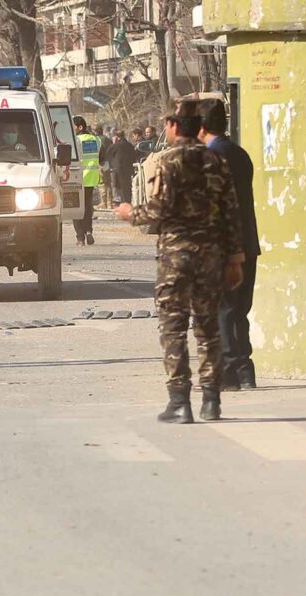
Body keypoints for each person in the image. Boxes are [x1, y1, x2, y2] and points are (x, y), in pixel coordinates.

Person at [114, 101, 245, 424]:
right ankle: (211, 401)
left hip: (176, 257)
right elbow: (232, 214)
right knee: (208, 327)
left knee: (173, 327)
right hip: (211, 255)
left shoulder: (168, 161)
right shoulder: (216, 160)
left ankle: (180, 401)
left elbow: (159, 210)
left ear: (174, 125)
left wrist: (131, 214)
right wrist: (235, 259)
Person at [198, 99, 261, 390]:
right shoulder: (240, 153)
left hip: (223, 245)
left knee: (222, 309)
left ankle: (230, 373)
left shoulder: (210, 158)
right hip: (247, 241)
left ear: (201, 128)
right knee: (237, 310)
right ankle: (244, 370)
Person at [73, 116, 101, 246]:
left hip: (77, 179)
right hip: (91, 178)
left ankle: (80, 238)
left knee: (76, 208)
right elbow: (103, 159)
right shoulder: (96, 140)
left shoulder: (75, 141)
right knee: (88, 207)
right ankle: (89, 231)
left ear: (80, 127)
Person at [105, 129, 138, 204]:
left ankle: (118, 202)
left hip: (116, 170)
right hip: (128, 169)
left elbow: (108, 156)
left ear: (117, 137)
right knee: (127, 187)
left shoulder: (115, 146)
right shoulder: (130, 146)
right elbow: (134, 157)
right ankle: (128, 202)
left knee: (117, 188)